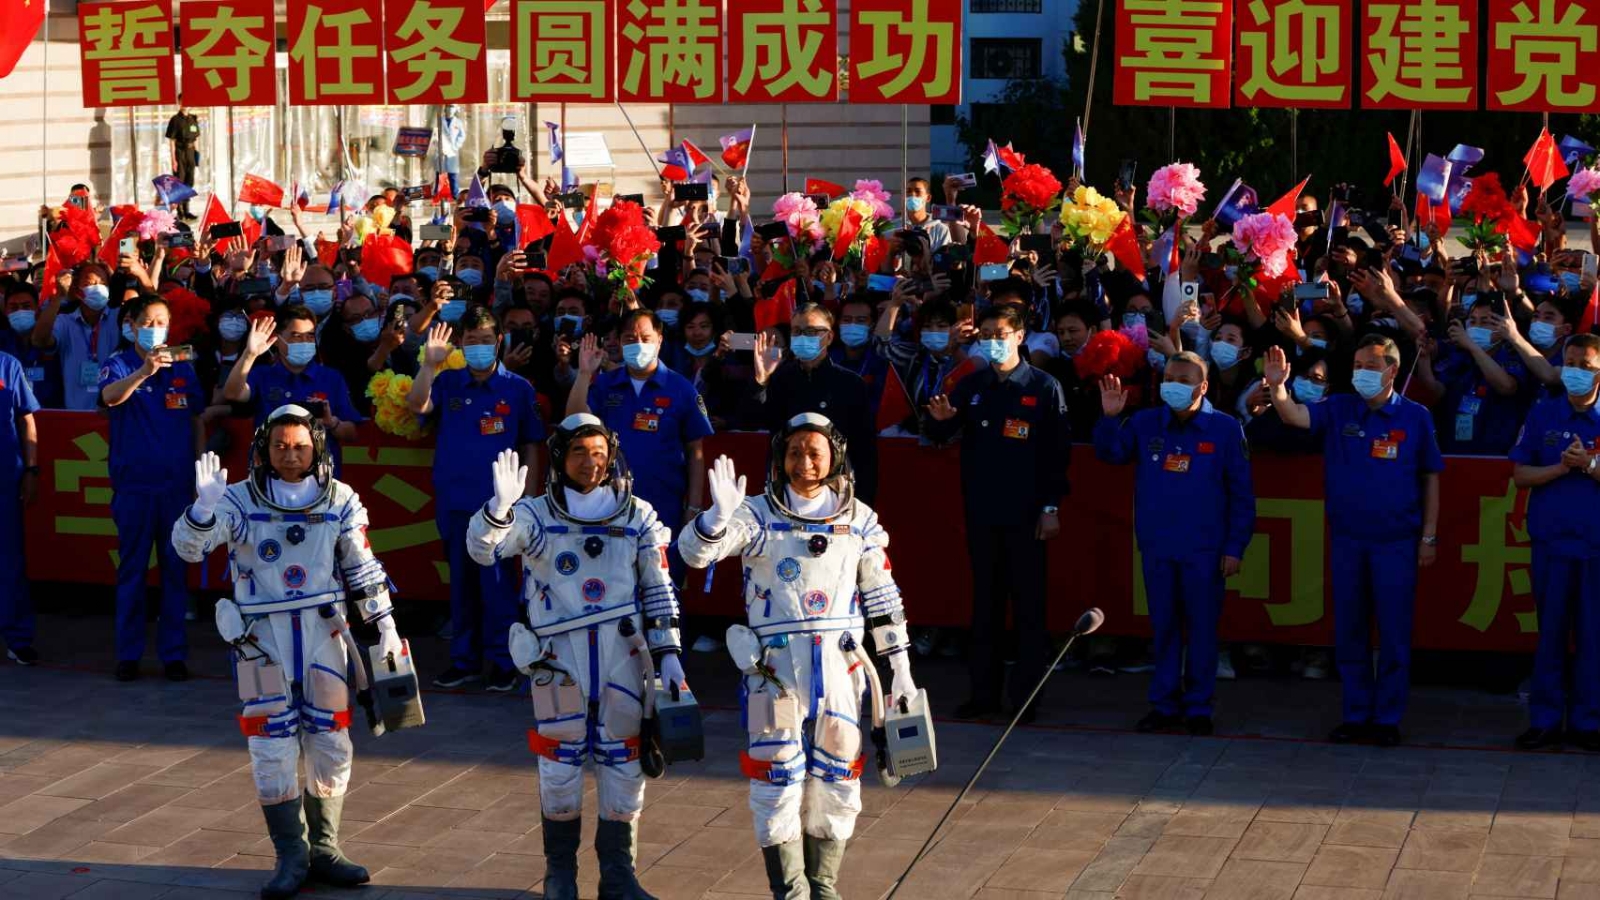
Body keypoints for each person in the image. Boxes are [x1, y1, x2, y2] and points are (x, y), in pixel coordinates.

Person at [678, 414, 918, 900]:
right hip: (775, 670)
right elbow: (695, 555)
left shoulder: (859, 519)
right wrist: (715, 519)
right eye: (794, 452)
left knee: (839, 777)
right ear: (779, 457)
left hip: (841, 665)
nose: (804, 462)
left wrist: (901, 669)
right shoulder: (755, 513)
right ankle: (790, 891)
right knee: (776, 779)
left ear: (834, 456)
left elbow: (882, 595)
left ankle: (823, 886)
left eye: (815, 452)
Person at [172, 405, 405, 900]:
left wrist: (385, 626)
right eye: (280, 446)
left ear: (317, 447)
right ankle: (290, 855)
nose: (290, 455)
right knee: (270, 747)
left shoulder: (340, 498)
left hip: (325, 633)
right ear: (264, 449)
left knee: (331, 742)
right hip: (262, 639)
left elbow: (362, 566)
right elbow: (190, 550)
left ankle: (326, 849)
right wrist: (203, 510)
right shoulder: (236, 500)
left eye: (300, 446)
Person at [466, 415, 685, 900]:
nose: (591, 462)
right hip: (559, 660)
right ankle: (559, 873)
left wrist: (669, 654)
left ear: (612, 455)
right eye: (579, 453)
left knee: (624, 765)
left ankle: (619, 875)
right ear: (561, 459)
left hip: (624, 656)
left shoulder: (637, 515)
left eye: (599, 451)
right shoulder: (536, 514)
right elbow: (484, 552)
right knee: (560, 768)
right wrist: (498, 510)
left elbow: (658, 587)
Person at [1264, 337, 1442, 746]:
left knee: (1394, 635)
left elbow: (1430, 477)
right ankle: (1356, 713)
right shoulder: (1341, 407)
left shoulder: (1415, 417)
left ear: (1392, 370)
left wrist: (1428, 536)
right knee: (1350, 631)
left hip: (1397, 541)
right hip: (1348, 539)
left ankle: (1387, 719)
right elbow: (1294, 417)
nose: (1360, 370)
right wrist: (1276, 388)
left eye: (1370, 364)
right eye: (1357, 362)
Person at [1094, 351, 1255, 735]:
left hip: (1205, 551)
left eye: (1184, 379)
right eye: (1169, 377)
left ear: (1202, 386)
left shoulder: (1226, 429)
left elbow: (1242, 496)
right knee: (1164, 628)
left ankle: (1199, 707)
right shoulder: (1147, 423)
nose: (1174, 385)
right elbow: (1110, 453)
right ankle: (1163, 705)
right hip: (1158, 547)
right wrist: (1110, 418)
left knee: (1201, 630)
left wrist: (1235, 547)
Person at [925, 303, 1070, 723]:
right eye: (985, 334)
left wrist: (1050, 508)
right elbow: (940, 431)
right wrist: (940, 421)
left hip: (1028, 517)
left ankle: (1025, 700)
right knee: (985, 608)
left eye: (1000, 333)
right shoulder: (972, 385)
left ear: (1020, 337)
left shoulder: (1043, 387)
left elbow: (1056, 457)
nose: (992, 341)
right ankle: (982, 696)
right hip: (982, 514)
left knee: (1028, 609)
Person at [407, 309, 545, 691]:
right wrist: (429, 366)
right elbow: (416, 406)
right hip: (454, 499)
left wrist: (529, 499)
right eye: (471, 340)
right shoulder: (448, 381)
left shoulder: (518, 388)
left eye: (486, 339)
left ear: (499, 340)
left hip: (501, 508)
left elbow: (532, 444)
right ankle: (465, 661)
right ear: (461, 344)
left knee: (499, 588)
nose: (479, 346)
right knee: (461, 586)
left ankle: (504, 662)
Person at [98, 294, 205, 682]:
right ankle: (128, 654)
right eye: (147, 320)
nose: (155, 327)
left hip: (176, 487)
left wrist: (199, 472)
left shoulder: (181, 367)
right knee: (132, 571)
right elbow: (109, 398)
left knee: (176, 572)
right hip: (135, 487)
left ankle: (173, 655)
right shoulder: (118, 363)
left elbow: (196, 418)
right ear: (130, 325)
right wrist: (143, 371)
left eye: (161, 320)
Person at [567, 309, 712, 572]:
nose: (638, 345)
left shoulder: (681, 389)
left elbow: (696, 452)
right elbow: (575, 423)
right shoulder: (605, 385)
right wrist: (584, 374)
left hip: (664, 504)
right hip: (609, 503)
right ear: (620, 343)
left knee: (663, 586)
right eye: (630, 338)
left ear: (659, 339)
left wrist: (693, 506)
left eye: (645, 337)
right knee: (611, 583)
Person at [1509, 333, 1600, 751]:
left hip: (1595, 549)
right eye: (1572, 363)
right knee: (1550, 637)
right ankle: (1545, 720)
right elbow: (1521, 474)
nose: (1578, 372)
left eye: (1588, 365)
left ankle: (1588, 723)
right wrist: (1561, 469)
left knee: (1593, 639)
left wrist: (1591, 465)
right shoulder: (1545, 413)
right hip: (1551, 547)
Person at [746, 305, 879, 502]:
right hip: (786, 486)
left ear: (829, 337)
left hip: (836, 489)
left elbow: (864, 450)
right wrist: (761, 380)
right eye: (797, 331)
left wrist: (863, 501)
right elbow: (753, 421)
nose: (802, 337)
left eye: (811, 331)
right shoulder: (779, 378)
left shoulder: (850, 384)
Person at [224, 308, 363, 469]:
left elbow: (352, 433)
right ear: (277, 339)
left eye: (310, 336)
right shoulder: (262, 375)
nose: (304, 342)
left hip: (319, 475)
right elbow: (232, 393)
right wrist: (250, 354)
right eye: (296, 336)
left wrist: (332, 423)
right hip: (269, 473)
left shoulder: (332, 378)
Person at [33, 261, 122, 411]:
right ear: (76, 290)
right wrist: (60, 296)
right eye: (90, 283)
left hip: (114, 416)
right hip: (77, 417)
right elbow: (39, 340)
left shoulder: (119, 317)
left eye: (103, 283)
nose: (97, 287)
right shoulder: (64, 322)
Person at [0, 346, 39, 665]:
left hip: (5, 477)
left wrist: (31, 469)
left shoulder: (7, 365)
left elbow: (27, 419)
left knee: (10, 562)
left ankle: (17, 637)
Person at [164, 99, 200, 218]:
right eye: (182, 101)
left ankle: (187, 210)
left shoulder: (193, 119)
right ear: (179, 103)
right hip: (180, 152)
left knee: (189, 181)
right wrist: (173, 159)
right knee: (179, 181)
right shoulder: (175, 120)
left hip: (190, 152)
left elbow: (196, 139)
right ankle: (179, 211)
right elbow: (172, 141)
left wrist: (197, 156)